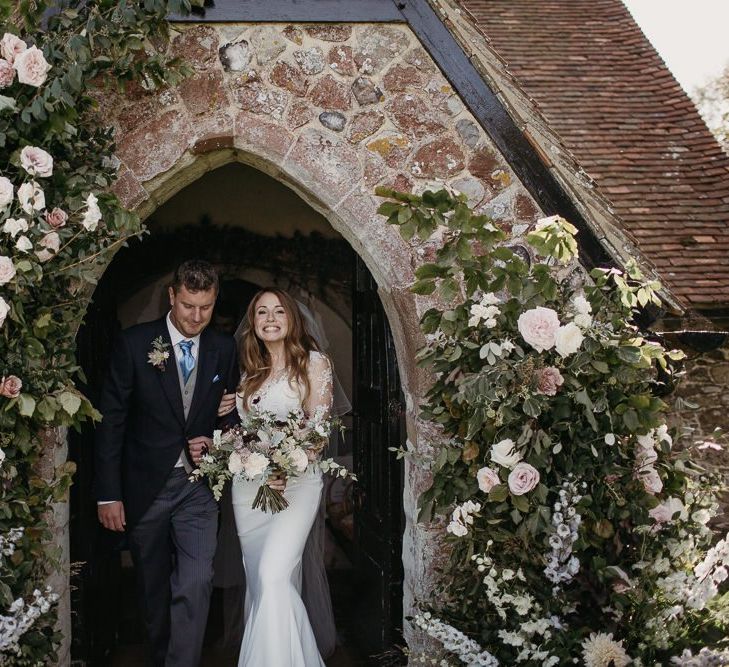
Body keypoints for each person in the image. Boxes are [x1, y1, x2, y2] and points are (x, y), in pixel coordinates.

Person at [94, 259, 240, 667]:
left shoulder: (224, 348)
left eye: (206, 307)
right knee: (152, 590)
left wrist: (217, 437)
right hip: (145, 487)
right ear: (172, 296)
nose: (197, 317)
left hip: (197, 488)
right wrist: (108, 494)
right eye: (189, 306)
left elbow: (232, 418)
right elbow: (111, 422)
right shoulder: (134, 343)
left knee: (197, 581)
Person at [203, 288, 334, 667]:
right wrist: (225, 424)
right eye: (262, 312)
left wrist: (285, 465)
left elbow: (319, 431)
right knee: (263, 583)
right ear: (253, 322)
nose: (270, 318)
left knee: (274, 575)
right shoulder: (246, 372)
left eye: (278, 311)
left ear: (292, 318)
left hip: (297, 485)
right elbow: (235, 430)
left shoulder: (314, 363)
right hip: (249, 491)